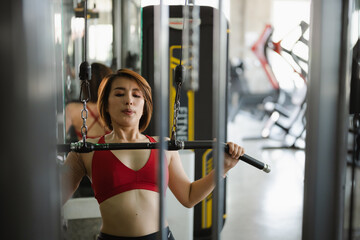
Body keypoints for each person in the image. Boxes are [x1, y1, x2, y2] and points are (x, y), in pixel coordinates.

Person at [61, 68, 245, 240]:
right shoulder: (86, 151)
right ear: (106, 105)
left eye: (136, 95)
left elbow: (188, 197)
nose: (129, 100)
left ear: (144, 105)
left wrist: (222, 168)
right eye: (119, 94)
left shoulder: (163, 146)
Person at [65, 62, 113, 142]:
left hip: (85, 154)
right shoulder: (115, 108)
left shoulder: (72, 109)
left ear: (85, 83)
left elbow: (57, 138)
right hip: (111, 154)